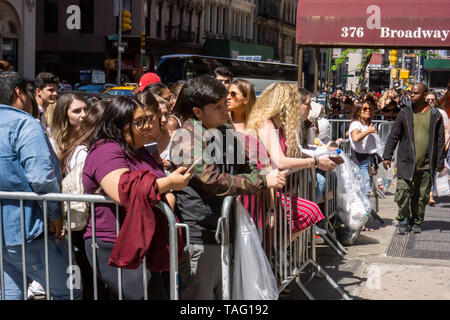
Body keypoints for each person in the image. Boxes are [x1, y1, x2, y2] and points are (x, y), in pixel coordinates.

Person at [169, 75, 286, 300]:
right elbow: (212, 180)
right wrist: (262, 181)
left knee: (225, 293)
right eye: (218, 107)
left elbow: (247, 164)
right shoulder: (187, 138)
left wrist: (258, 175)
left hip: (225, 228)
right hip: (200, 233)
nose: (225, 110)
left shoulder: (224, 131)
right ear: (198, 111)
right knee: (200, 297)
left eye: (225, 104)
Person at [82, 96, 191, 300]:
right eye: (139, 122)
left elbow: (158, 188)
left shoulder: (141, 151)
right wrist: (168, 184)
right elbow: (123, 189)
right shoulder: (106, 149)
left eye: (148, 119)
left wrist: (166, 192)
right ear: (120, 124)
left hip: (145, 240)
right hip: (113, 241)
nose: (148, 126)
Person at [0, 71, 81, 300]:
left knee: (10, 294)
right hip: (31, 228)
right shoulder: (25, 124)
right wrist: (55, 214)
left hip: (7, 234)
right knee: (69, 291)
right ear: (19, 92)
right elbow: (41, 177)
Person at [246, 83, 339, 234]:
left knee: (307, 214)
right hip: (263, 192)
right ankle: (278, 252)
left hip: (273, 190)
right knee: (310, 211)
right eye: (301, 103)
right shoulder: (265, 124)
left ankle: (279, 252)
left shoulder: (281, 127)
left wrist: (322, 159)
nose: (307, 108)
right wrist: (316, 162)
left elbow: (294, 154)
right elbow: (280, 160)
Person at [383, 83, 445, 234]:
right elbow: (394, 136)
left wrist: (440, 162)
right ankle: (403, 219)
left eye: (415, 93)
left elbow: (440, 140)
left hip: (425, 164)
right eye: (411, 93)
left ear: (424, 96)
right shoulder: (404, 113)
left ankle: (416, 220)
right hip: (406, 162)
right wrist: (387, 156)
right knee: (403, 193)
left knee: (421, 197)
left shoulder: (435, 115)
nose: (411, 96)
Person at [50, 93, 88, 170]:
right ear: (64, 115)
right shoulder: (52, 144)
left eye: (85, 109)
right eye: (77, 111)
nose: (84, 115)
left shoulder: (90, 138)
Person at [349, 101, 380, 195]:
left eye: (370, 108)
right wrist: (368, 131)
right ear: (358, 111)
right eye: (365, 108)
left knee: (366, 187)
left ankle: (365, 207)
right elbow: (355, 138)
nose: (368, 111)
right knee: (365, 189)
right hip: (361, 160)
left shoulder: (365, 124)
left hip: (369, 159)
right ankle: (365, 209)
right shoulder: (356, 124)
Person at [426, 92, 450, 205]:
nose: (430, 101)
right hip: (424, 147)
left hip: (437, 147)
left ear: (436, 101)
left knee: (433, 170)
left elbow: (446, 131)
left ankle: (430, 194)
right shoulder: (421, 113)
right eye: (428, 99)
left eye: (432, 99)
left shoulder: (441, 113)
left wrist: (444, 145)